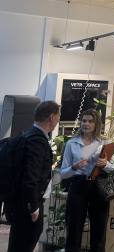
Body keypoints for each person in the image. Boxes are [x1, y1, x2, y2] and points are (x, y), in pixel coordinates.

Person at [7, 101, 60, 252]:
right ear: (51, 117)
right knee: (23, 245)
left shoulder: (27, 134)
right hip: (28, 205)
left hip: (19, 202)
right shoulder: (37, 141)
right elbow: (30, 177)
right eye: (58, 116)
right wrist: (33, 207)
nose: (58, 120)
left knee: (17, 244)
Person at [61, 109, 114, 252]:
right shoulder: (71, 144)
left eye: (90, 121)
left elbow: (113, 169)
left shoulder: (103, 143)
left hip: (99, 186)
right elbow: (63, 173)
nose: (86, 124)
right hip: (78, 186)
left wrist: (105, 164)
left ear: (96, 124)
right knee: (73, 228)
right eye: (84, 121)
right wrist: (74, 167)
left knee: (99, 229)